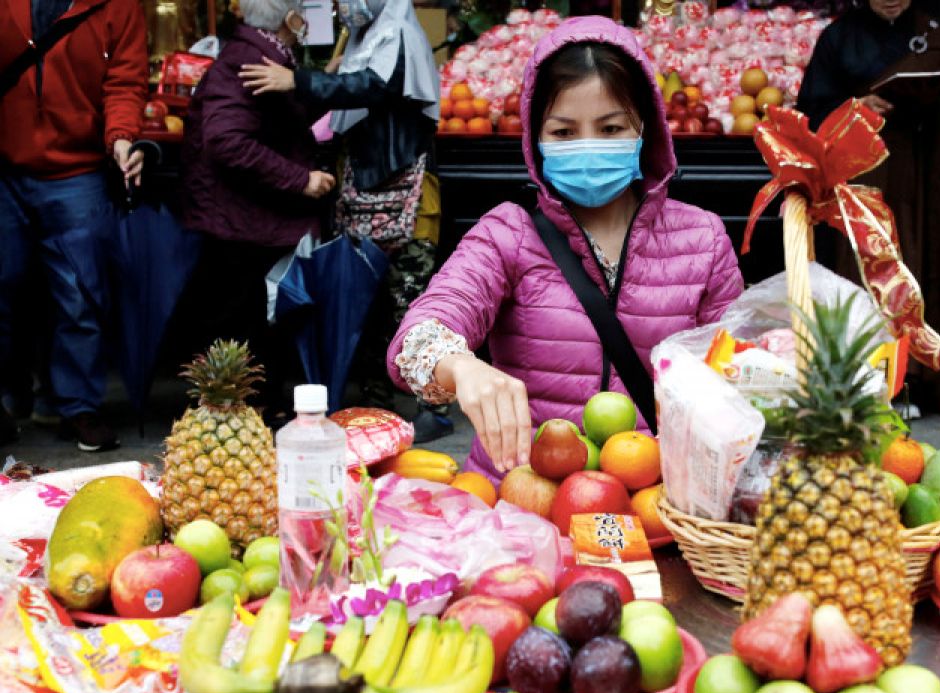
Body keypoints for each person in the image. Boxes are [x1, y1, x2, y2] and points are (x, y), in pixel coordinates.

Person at [385, 16, 744, 482]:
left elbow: (737, 370)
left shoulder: (703, 239)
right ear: (536, 139)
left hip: (655, 500)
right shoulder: (507, 234)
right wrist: (462, 367)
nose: (588, 146)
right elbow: (420, 332)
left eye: (611, 128)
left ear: (645, 129)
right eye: (564, 132)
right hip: (521, 503)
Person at [240, 0, 443, 435]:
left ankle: (432, 409)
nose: (341, 4)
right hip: (363, 187)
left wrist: (296, 79)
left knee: (409, 301)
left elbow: (371, 86)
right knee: (365, 298)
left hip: (403, 185)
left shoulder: (400, 34)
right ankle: (375, 401)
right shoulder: (367, 38)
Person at [797, 0, 940, 403]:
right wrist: (856, 107)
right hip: (860, 170)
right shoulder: (839, 37)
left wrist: (928, 101)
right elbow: (810, 110)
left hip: (920, 171)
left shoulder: (932, 34)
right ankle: (855, 375)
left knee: (914, 264)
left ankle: (912, 378)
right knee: (863, 266)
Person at [0, 0, 147, 450]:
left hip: (76, 172)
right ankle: (6, 400)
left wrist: (121, 137)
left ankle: (78, 407)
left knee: (80, 295)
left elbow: (124, 81)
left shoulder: (119, 6)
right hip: (4, 168)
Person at [181, 0, 333, 424]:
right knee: (243, 317)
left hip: (245, 215)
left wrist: (323, 83)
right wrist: (299, 178)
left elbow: (280, 117)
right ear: (292, 20)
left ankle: (251, 409)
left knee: (251, 315)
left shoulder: (264, 54)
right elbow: (227, 141)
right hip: (239, 217)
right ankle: (240, 414)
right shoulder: (249, 59)